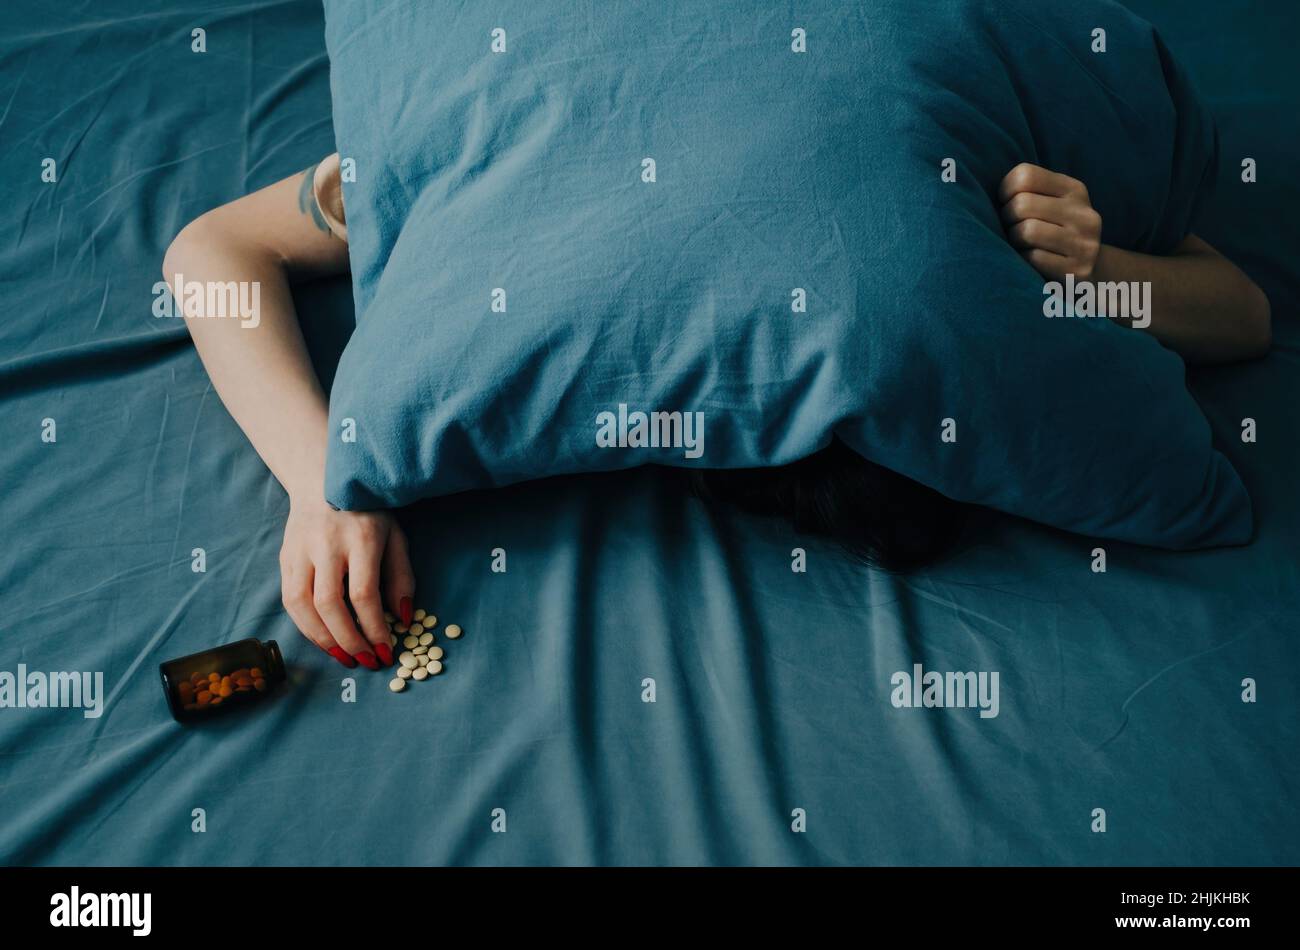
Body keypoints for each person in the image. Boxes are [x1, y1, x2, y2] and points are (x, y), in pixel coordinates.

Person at [163, 156, 1271, 667]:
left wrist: (1094, 264)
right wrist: (320, 475)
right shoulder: (507, 149)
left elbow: (1241, 313)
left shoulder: (941, 114)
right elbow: (215, 247)